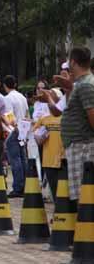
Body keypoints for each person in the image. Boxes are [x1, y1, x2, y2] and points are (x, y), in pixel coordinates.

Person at [60, 47, 94, 202]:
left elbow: (92, 116)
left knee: (84, 195)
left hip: (83, 146)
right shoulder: (80, 84)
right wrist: (68, 88)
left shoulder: (85, 85)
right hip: (79, 145)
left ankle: (86, 226)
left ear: (73, 62)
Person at [3, 75, 30, 198]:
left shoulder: (7, 98)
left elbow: (9, 115)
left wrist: (14, 128)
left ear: (5, 86)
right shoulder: (22, 97)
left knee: (15, 159)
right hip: (23, 129)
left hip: (14, 130)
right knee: (23, 158)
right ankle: (25, 185)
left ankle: (18, 187)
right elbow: (26, 114)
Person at [33, 99, 64, 203]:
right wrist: (41, 137)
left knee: (65, 192)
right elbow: (36, 138)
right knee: (54, 191)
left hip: (64, 160)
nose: (51, 103)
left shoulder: (66, 118)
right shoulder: (43, 119)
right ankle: (58, 215)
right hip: (48, 161)